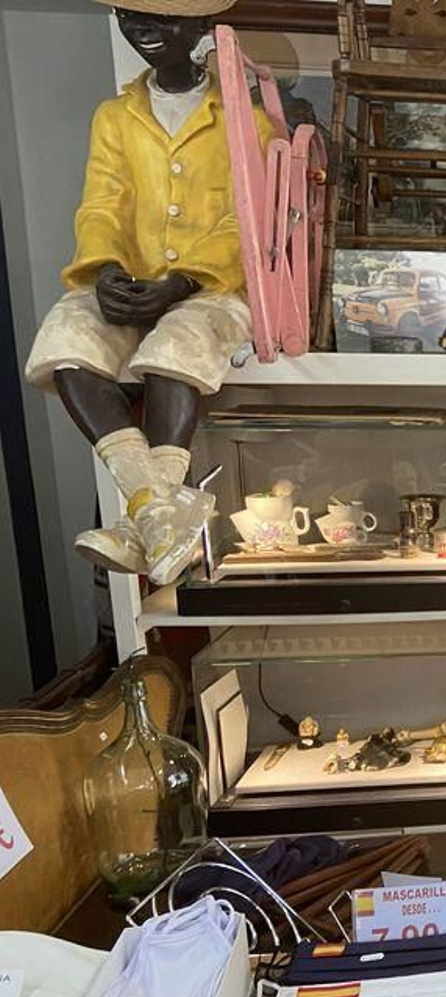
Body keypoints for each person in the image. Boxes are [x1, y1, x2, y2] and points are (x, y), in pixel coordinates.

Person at [24, 0, 265, 585]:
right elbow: (102, 201)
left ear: (204, 26)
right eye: (131, 18)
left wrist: (184, 280)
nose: (144, 31)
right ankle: (157, 510)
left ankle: (141, 521)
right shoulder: (114, 116)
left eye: (164, 18)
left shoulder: (245, 118)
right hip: (129, 280)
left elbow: (247, 218)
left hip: (213, 286)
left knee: (175, 349)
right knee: (66, 341)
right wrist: (104, 267)